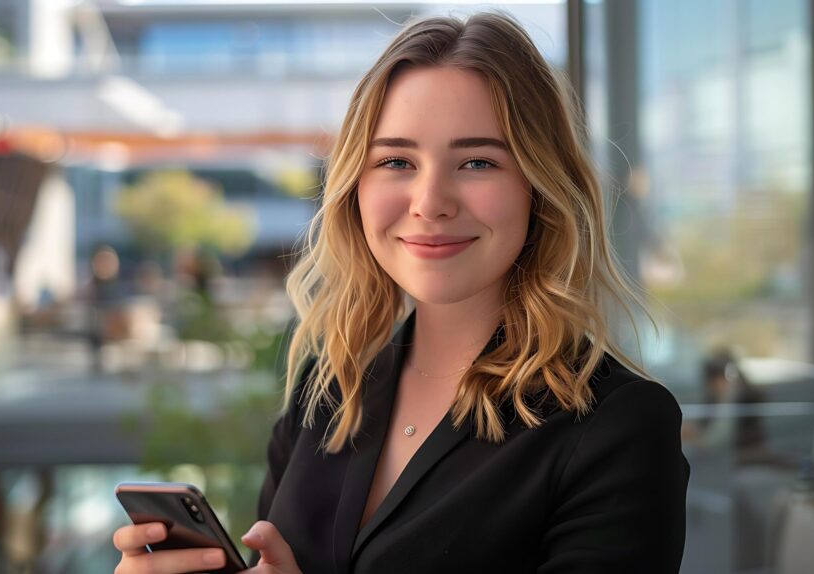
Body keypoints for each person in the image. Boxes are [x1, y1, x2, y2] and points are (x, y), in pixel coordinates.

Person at [112, 11, 689, 574]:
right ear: (355, 187)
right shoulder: (327, 390)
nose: (430, 200)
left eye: (477, 162)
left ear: (539, 188)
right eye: (395, 160)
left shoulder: (619, 425)